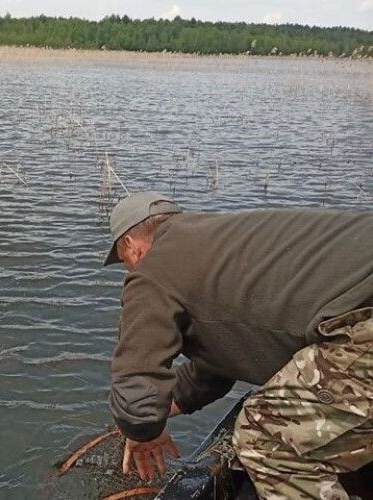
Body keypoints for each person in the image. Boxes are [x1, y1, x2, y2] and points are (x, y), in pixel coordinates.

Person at [103, 192, 373, 499]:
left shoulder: (153, 268)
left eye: (123, 260)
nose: (129, 269)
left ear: (131, 247)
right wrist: (158, 411)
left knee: (266, 438)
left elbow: (135, 378)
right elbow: (215, 367)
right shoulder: (220, 244)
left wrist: (141, 430)